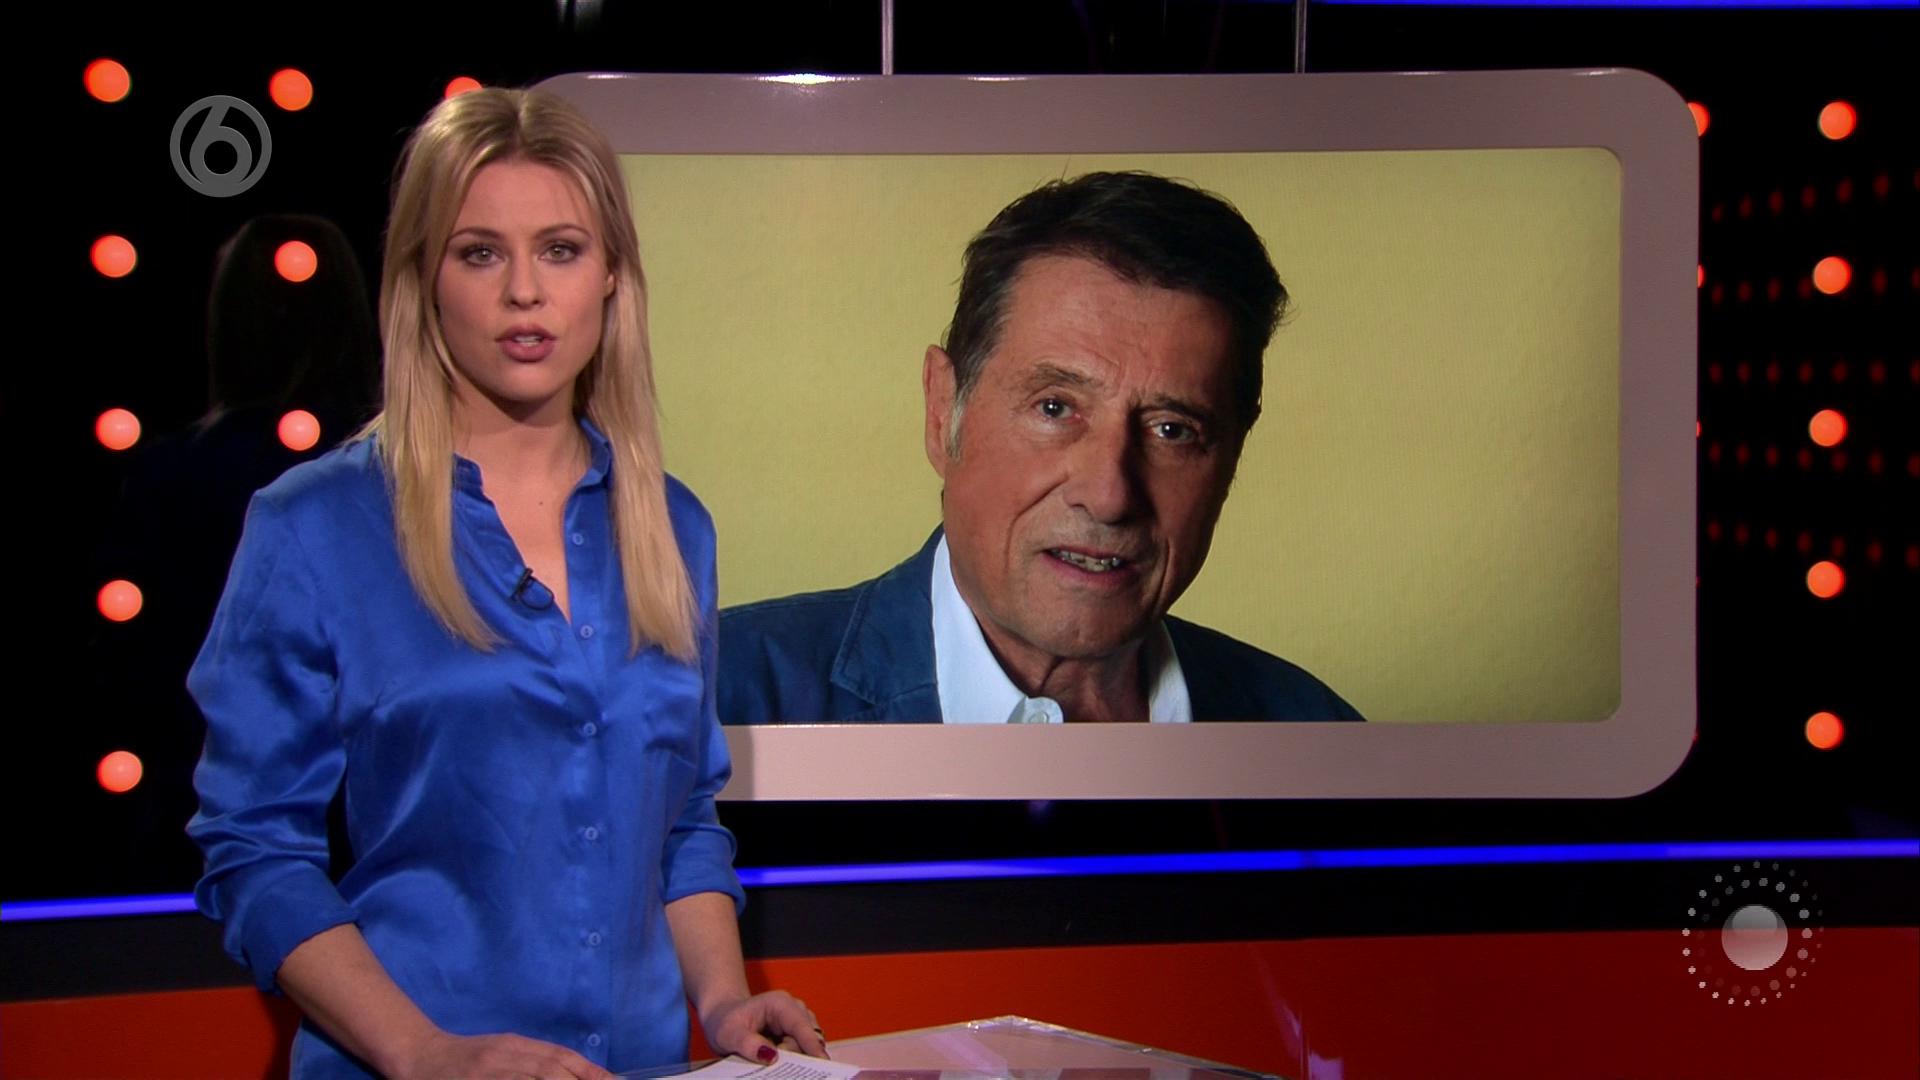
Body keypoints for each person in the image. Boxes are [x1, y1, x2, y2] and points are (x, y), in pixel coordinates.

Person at [187, 87, 824, 1079]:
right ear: (423, 279)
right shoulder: (316, 527)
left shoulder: (672, 528)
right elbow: (254, 849)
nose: (525, 292)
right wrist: (427, 1053)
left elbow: (683, 823)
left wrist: (725, 1000)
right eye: (480, 253)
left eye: (560, 250)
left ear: (611, 275)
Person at [720, 172, 1362, 725]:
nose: (1109, 496)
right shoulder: (708, 701)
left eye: (1172, 429)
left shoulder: (1322, 740)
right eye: (1055, 408)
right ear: (943, 412)